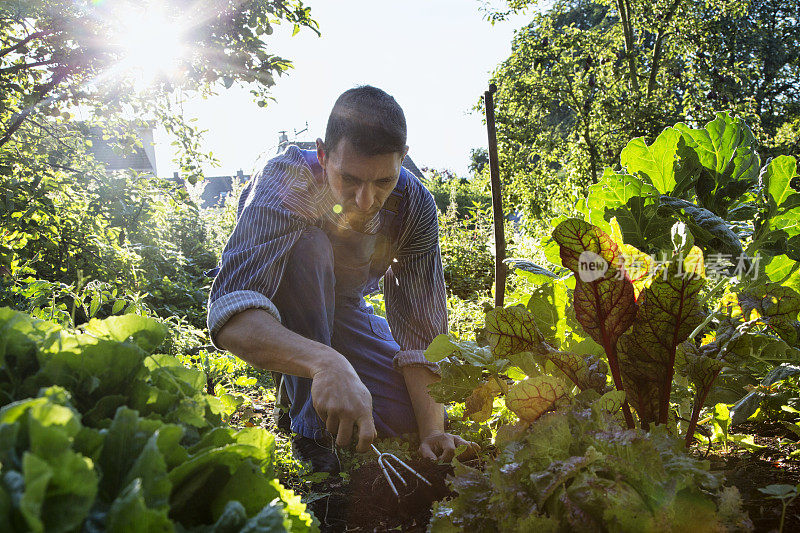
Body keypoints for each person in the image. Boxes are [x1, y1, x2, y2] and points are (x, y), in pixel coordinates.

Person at [208, 85, 472, 473]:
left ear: (404, 159)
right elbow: (230, 312)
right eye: (350, 179)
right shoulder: (287, 181)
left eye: (383, 181)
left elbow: (422, 330)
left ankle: (310, 379)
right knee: (309, 248)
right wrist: (324, 364)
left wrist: (432, 431)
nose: (366, 200)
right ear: (322, 154)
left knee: (402, 416)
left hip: (346, 309)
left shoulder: (415, 204)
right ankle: (309, 428)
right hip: (282, 309)